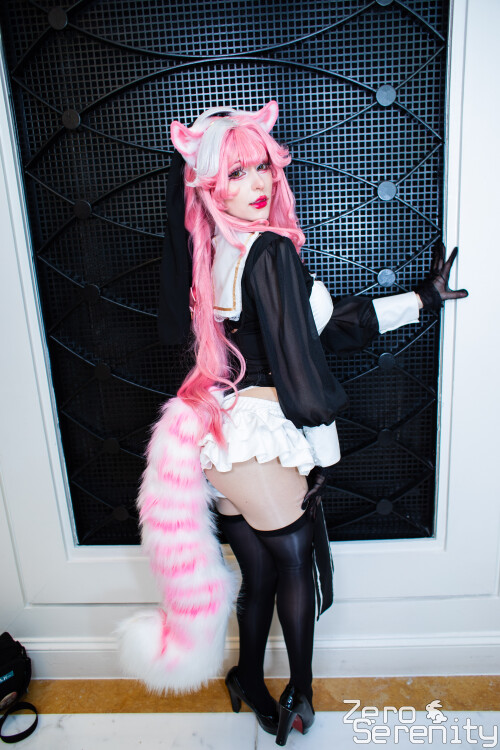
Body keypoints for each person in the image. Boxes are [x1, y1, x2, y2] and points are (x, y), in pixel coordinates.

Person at [118, 101, 467, 746]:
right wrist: (323, 447)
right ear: (209, 185)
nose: (257, 184)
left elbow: (321, 327)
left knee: (261, 573)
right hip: (256, 437)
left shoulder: (213, 253)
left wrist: (420, 298)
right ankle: (300, 691)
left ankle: (246, 678)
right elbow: (304, 362)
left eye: (262, 168)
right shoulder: (271, 249)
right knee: (295, 562)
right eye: (236, 173)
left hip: (214, 437)